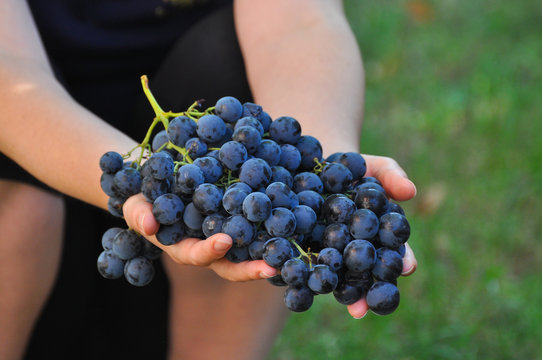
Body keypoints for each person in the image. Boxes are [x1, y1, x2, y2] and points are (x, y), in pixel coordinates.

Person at [0, 0, 417, 359]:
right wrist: (141, 178)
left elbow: (297, 22)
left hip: (179, 204)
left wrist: (320, 159)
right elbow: (10, 75)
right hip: (43, 198)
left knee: (229, 73)